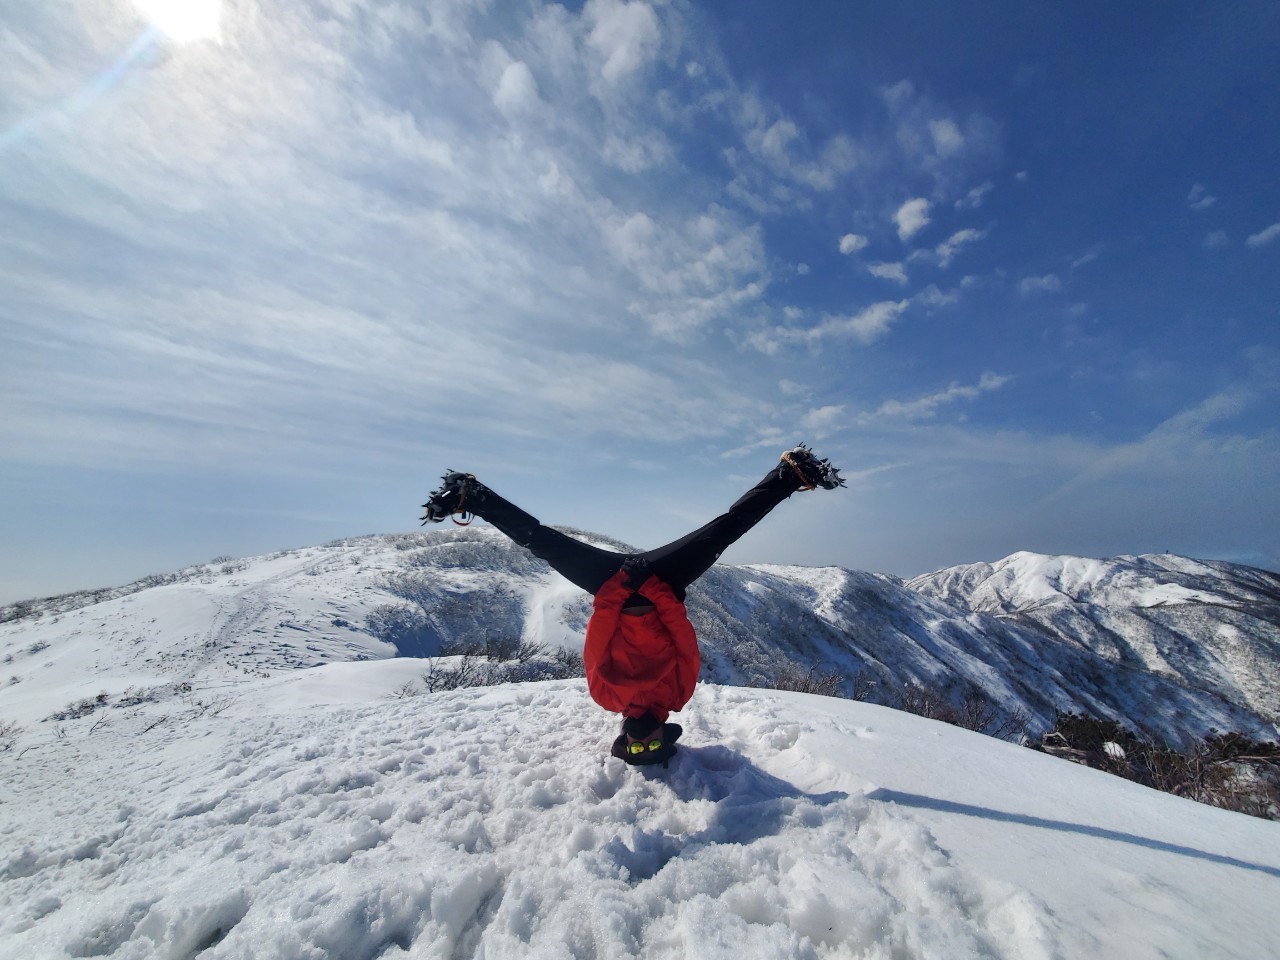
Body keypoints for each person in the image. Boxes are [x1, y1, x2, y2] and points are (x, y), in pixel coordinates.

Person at [420, 445, 844, 766]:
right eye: (651, 744)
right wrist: (657, 590)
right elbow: (683, 638)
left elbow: (597, 641)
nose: (642, 739)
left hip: (611, 588)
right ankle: (790, 474)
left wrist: (618, 590)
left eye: (634, 745)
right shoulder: (678, 694)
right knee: (723, 531)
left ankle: (470, 496)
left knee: (542, 542)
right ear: (664, 733)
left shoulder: (606, 697)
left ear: (623, 738)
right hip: (662, 584)